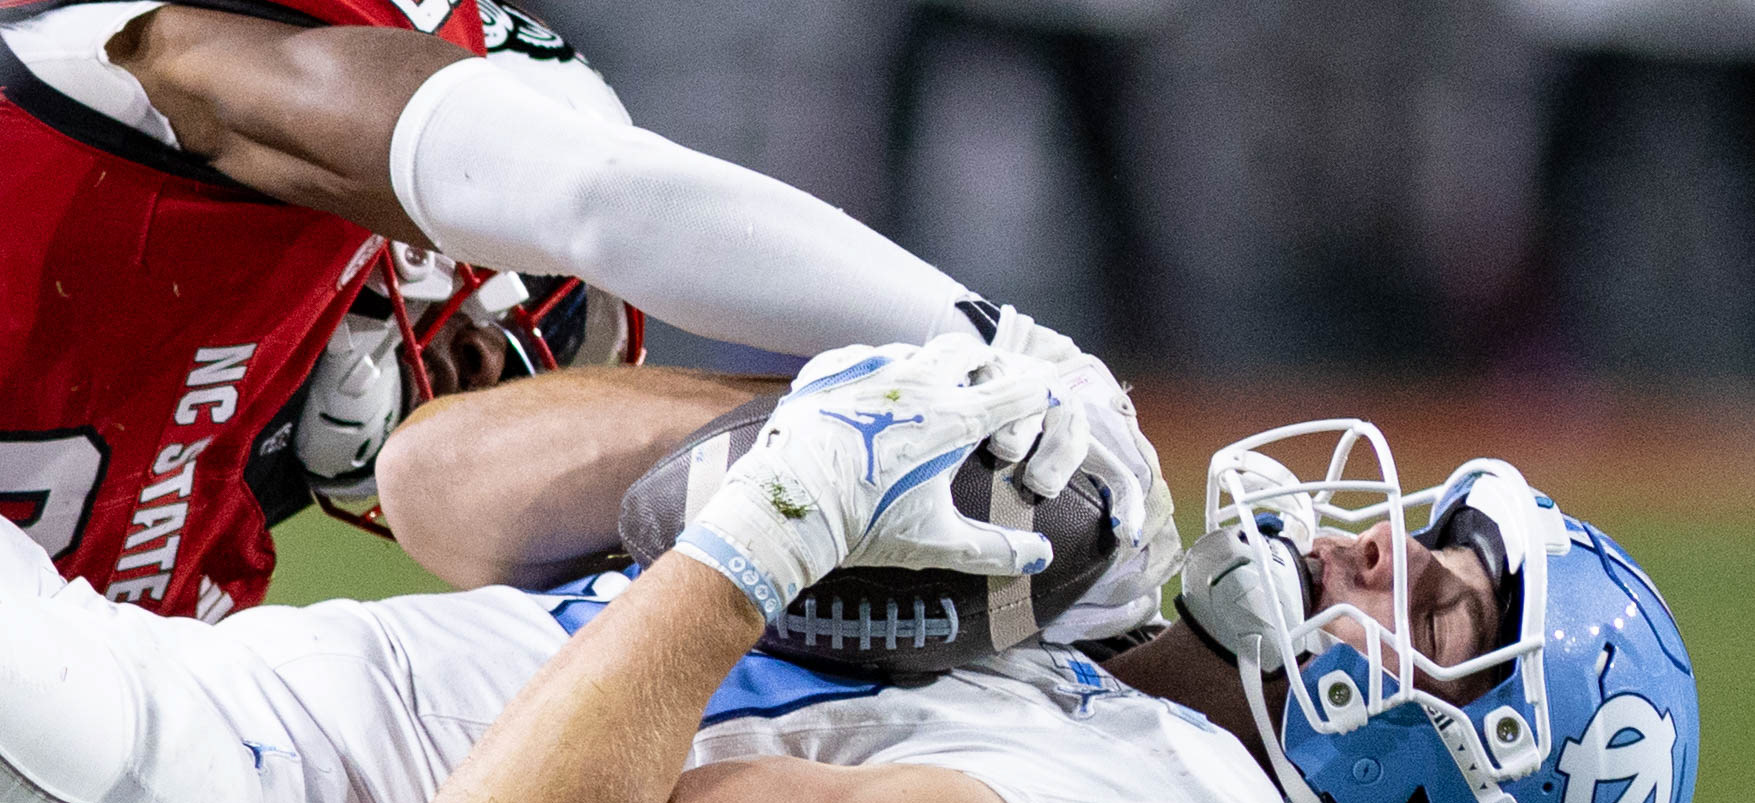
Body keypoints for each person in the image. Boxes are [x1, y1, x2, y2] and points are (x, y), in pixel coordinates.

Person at [0, 337, 1695, 803]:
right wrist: (858, 406)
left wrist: (795, 510)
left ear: (1444, 797)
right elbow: (439, 483)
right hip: (171, 716)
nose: (1365, 548)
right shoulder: (1077, 629)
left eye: (1440, 599)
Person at [0, 0, 1125, 622]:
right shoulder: (138, 69)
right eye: (507, 316)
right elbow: (600, 198)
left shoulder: (223, 528)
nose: (488, 367)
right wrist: (999, 342)